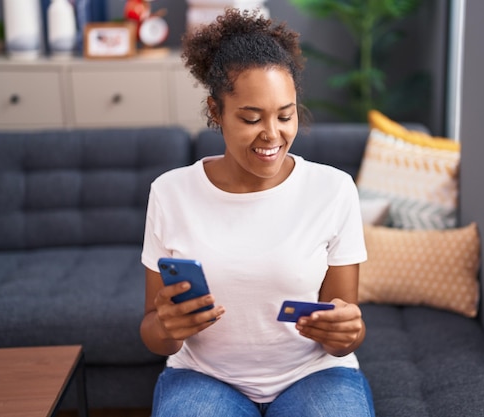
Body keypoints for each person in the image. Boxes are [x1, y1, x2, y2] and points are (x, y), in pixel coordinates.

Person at [140, 8, 374, 417]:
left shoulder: (333, 190)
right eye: (251, 118)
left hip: (313, 374)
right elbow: (153, 332)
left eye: (286, 115)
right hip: (204, 377)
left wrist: (349, 332)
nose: (273, 134)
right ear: (216, 111)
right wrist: (165, 329)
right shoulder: (170, 193)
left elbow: (341, 331)